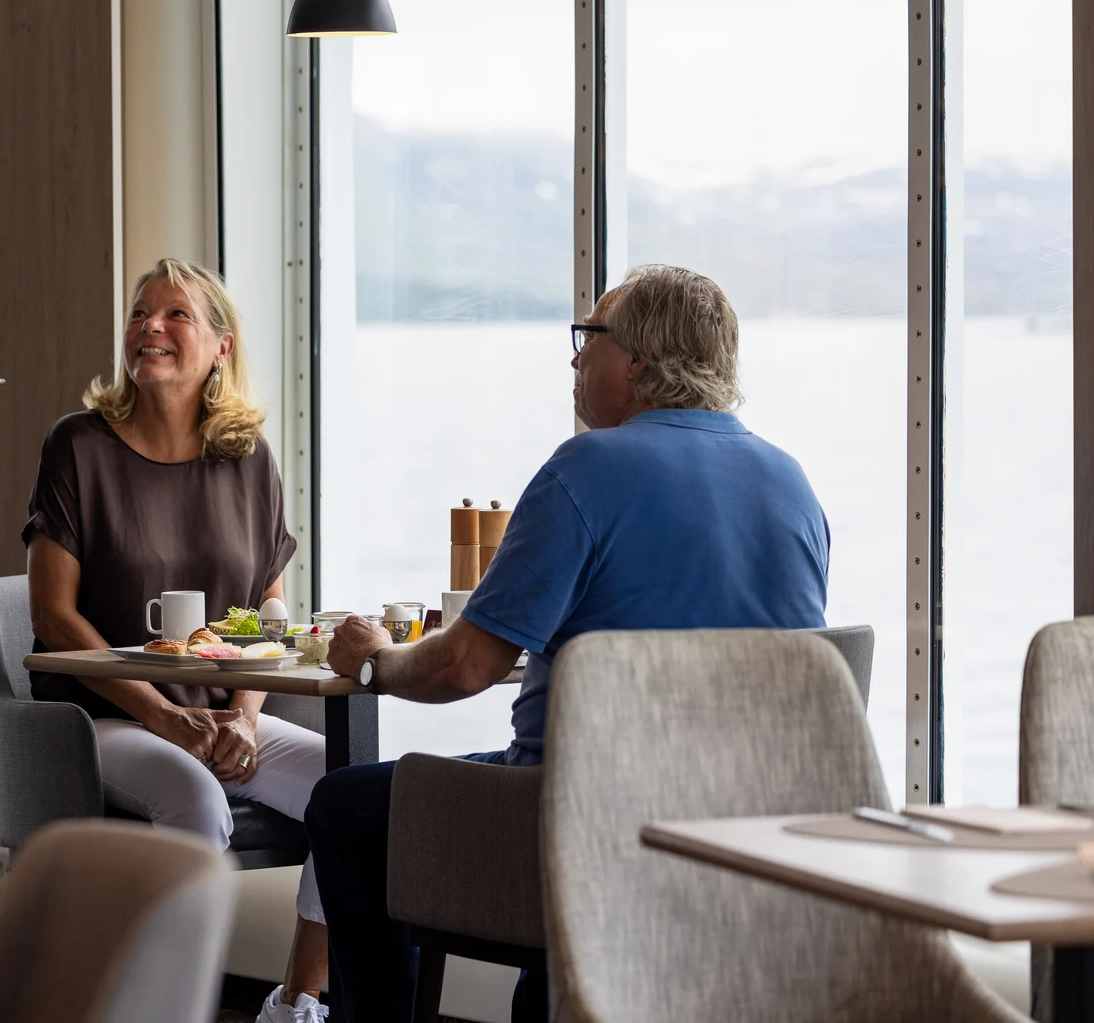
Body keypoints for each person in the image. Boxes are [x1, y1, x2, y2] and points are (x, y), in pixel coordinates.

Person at [309, 264, 831, 1023]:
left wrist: (374, 660)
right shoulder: (792, 483)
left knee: (343, 806)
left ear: (641, 360)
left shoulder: (589, 466)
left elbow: (464, 664)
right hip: (736, 830)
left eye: (590, 336)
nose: (577, 357)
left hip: (582, 822)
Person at [25, 258, 331, 1023]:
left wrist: (246, 717)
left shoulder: (250, 458)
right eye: (139, 313)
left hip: (222, 718)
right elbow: (54, 617)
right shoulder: (78, 447)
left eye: (175, 315)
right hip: (105, 719)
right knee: (195, 798)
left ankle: (296, 1003)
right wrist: (165, 715)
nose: (149, 327)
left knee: (353, 791)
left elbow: (268, 609)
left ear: (221, 346)